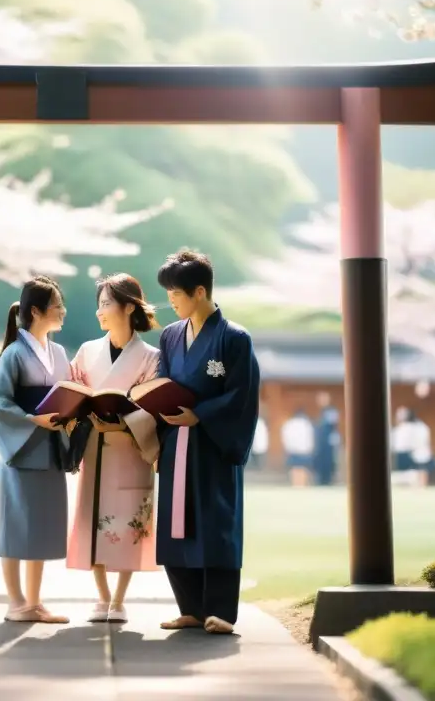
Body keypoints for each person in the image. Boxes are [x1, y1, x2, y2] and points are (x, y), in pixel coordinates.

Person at [153, 249, 261, 635]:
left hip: (213, 445)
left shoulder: (234, 338)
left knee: (215, 524)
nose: (171, 302)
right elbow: (163, 382)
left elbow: (241, 395)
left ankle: (220, 612)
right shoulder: (170, 336)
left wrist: (200, 415)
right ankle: (190, 608)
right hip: (175, 444)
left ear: (199, 291)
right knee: (175, 524)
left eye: (176, 295)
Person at [66, 273, 161, 625]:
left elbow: (154, 407)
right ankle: (102, 596)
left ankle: (119, 599)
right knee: (94, 520)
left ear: (128, 306)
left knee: (127, 520)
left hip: (131, 451)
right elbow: (73, 394)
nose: (100, 312)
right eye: (99, 305)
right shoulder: (88, 352)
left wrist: (123, 423)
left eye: (106, 304)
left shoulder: (151, 356)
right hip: (96, 448)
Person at [0, 275, 72, 624]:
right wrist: (32, 420)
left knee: (41, 526)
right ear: (36, 311)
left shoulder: (59, 352)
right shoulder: (13, 354)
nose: (63, 311)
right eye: (57, 306)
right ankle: (15, 601)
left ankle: (35, 601)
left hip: (50, 447)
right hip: (23, 448)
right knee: (17, 525)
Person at [281, 409, 314, 487]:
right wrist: (311, 449)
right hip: (304, 451)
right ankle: (301, 484)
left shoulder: (289, 424)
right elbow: (311, 438)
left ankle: (296, 484)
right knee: (303, 469)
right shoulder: (307, 424)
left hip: (293, 450)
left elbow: (285, 437)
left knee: (295, 468)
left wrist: (287, 448)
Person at [313, 392, 340, 486]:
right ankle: (321, 480)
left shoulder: (331, 411)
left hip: (329, 442)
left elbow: (333, 426)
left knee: (329, 461)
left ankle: (327, 480)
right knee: (320, 462)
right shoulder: (321, 412)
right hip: (321, 442)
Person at [390, 406, 416, 486]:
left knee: (407, 473)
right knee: (398, 473)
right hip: (398, 452)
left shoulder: (410, 427)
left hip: (407, 452)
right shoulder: (396, 429)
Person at [409, 413, 433, 488]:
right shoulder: (423, 428)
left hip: (421, 451)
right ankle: (421, 484)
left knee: (422, 470)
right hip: (419, 451)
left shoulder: (421, 428)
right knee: (421, 470)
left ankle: (422, 484)